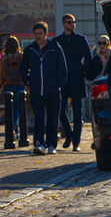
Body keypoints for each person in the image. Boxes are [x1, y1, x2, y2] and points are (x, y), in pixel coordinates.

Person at [19, 22, 68, 155]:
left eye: (40, 33)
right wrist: (27, 80)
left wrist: (58, 84)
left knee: (52, 119)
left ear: (46, 34)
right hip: (36, 90)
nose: (38, 36)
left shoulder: (54, 48)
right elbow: (23, 68)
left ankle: (52, 145)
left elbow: (63, 69)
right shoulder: (30, 49)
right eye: (36, 34)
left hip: (52, 90)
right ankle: (39, 144)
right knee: (39, 117)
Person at [53, 14, 92, 152]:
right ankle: (68, 134)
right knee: (61, 110)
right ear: (63, 24)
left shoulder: (81, 39)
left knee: (77, 113)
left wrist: (81, 69)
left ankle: (76, 143)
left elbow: (89, 58)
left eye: (74, 22)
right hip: (63, 81)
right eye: (69, 22)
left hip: (76, 80)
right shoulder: (56, 41)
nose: (72, 24)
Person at [0, 36, 25, 140]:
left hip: (8, 85)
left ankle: (13, 132)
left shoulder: (4, 58)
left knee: (9, 109)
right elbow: (25, 70)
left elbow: (1, 74)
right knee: (17, 109)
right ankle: (14, 131)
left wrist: (1, 85)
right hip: (20, 85)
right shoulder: (21, 56)